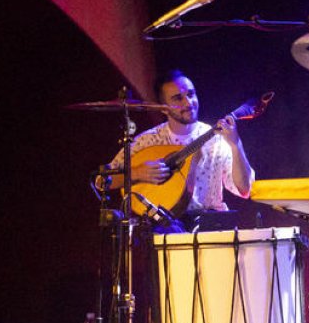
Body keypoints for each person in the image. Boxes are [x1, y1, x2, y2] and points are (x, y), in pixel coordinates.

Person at [108, 68, 255, 220]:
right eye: (178, 98)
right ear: (163, 109)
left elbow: (245, 190)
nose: (188, 102)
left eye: (191, 94)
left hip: (209, 225)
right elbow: (102, 181)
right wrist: (137, 173)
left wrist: (235, 144)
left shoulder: (217, 139)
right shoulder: (148, 141)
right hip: (161, 226)